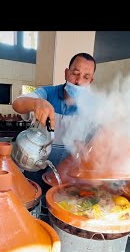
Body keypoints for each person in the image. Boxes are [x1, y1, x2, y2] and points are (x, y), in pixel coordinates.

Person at [12, 52, 96, 193]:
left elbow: (97, 140)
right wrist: (36, 103)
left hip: (69, 175)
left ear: (91, 81)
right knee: (34, 200)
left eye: (86, 77)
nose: (79, 81)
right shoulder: (48, 93)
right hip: (37, 167)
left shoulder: (93, 105)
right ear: (66, 73)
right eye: (75, 73)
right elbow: (17, 103)